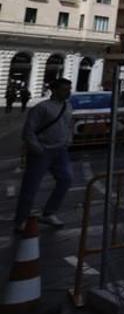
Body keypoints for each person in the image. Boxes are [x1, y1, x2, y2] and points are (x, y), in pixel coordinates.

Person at [14, 77, 74, 230]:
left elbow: (68, 125)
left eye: (69, 89)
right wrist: (37, 148)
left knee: (66, 179)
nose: (68, 93)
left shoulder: (67, 106)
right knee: (31, 187)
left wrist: (68, 140)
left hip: (60, 150)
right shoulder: (42, 108)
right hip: (42, 151)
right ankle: (20, 220)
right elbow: (28, 131)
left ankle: (49, 212)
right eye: (64, 89)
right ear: (54, 90)